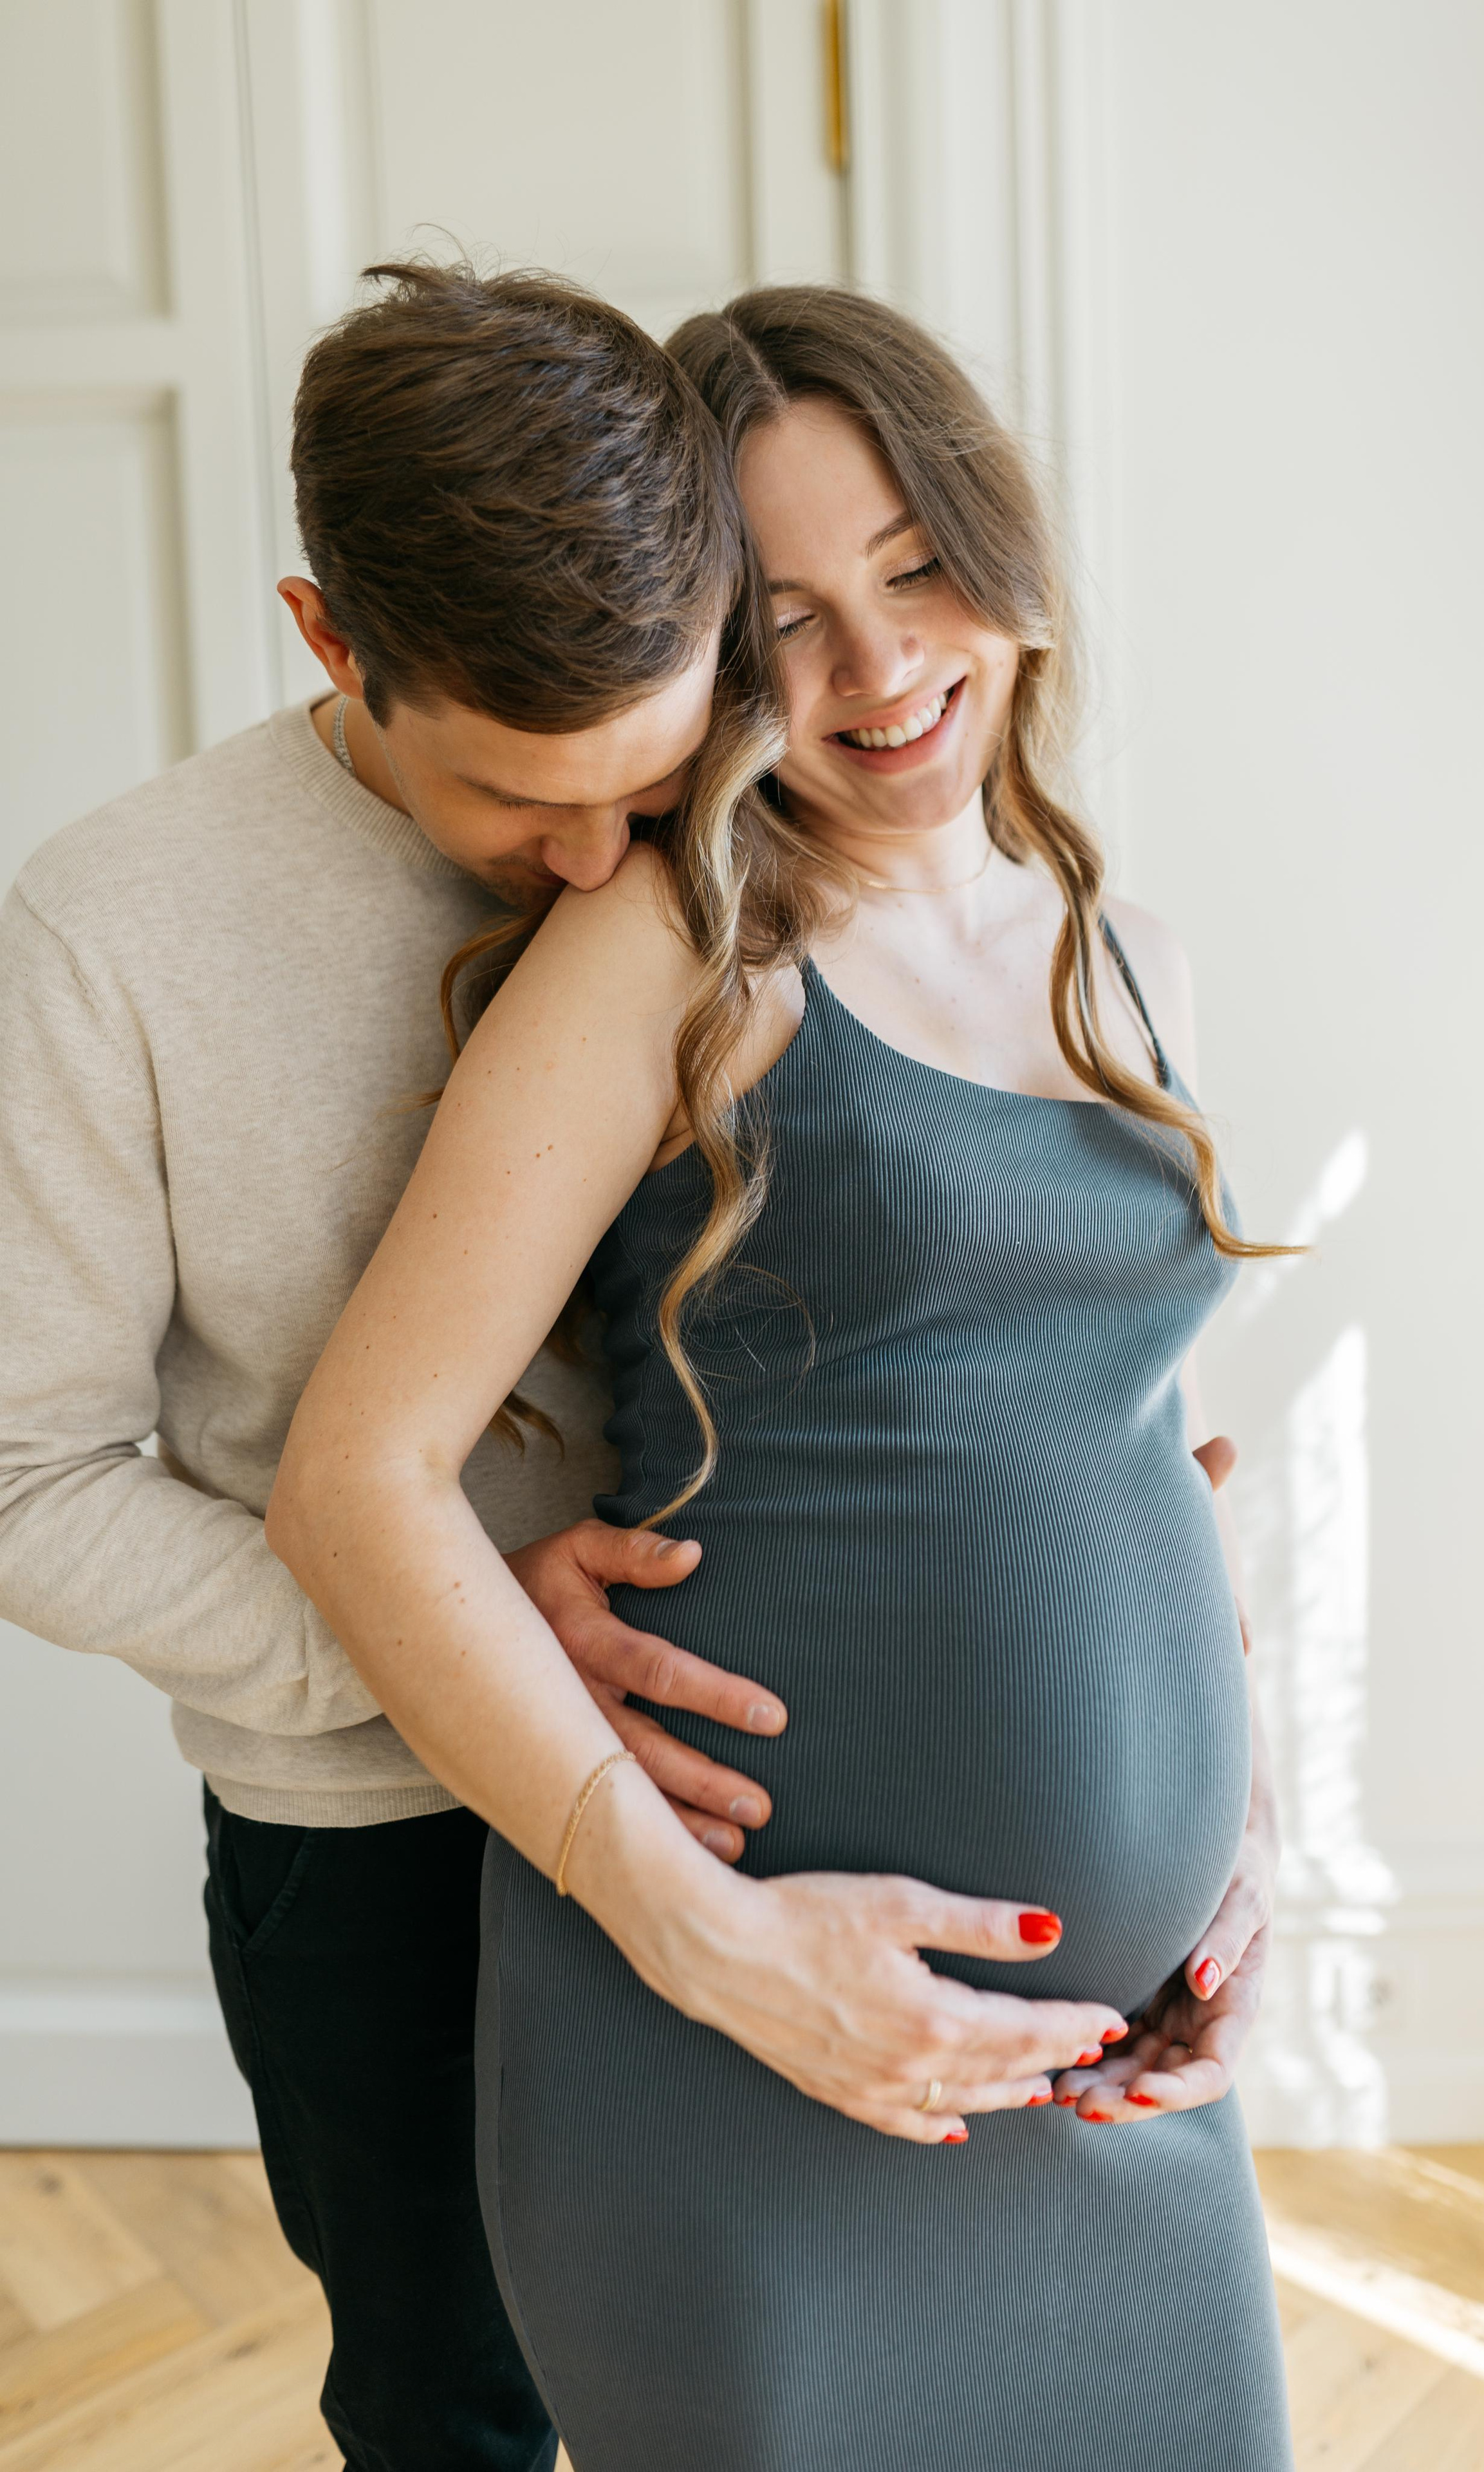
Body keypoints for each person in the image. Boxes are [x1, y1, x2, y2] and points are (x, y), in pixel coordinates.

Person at [268, 284, 1294, 2470]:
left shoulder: (1131, 957)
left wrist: (1242, 1820)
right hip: (736, 2041)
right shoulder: (672, 949)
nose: (880, 663)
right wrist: (712, 1943)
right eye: (790, 616)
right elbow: (358, 1479)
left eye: (915, 568)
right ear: (711, 663)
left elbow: (1139, 1445)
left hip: (1105, 2065)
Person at [0, 261, 799, 2472]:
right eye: (518, 804)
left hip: (773, 1758)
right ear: (327, 637)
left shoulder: (760, 809)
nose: (600, 869)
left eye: (644, 783)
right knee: (460, 2412)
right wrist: (424, 1634)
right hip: (376, 1843)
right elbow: (19, 1476)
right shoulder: (109, 935)